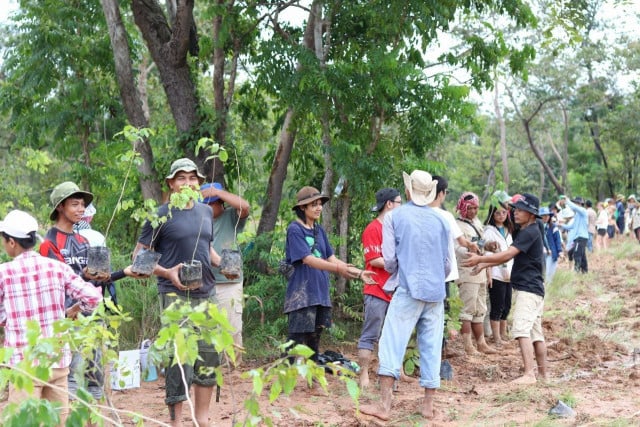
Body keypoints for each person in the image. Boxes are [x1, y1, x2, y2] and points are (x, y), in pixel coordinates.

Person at [134, 158, 222, 427]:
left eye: (192, 178)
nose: (187, 183)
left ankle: (203, 419)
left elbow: (207, 249)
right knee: (179, 358)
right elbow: (138, 258)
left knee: (208, 356)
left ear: (199, 183)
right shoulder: (160, 215)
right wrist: (168, 271)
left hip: (206, 294)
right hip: (174, 296)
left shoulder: (206, 212)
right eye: (181, 178)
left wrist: (225, 264)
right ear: (171, 184)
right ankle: (177, 421)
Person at [359, 170, 451, 421]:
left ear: (408, 191)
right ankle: (428, 406)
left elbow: (389, 261)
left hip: (408, 288)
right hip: (435, 292)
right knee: (432, 346)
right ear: (431, 192)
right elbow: (447, 265)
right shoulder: (443, 220)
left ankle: (385, 406)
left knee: (391, 342)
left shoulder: (394, 218)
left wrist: (402, 268)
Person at [40, 181, 140, 406]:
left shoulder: (84, 241)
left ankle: (93, 419)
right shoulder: (49, 243)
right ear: (60, 207)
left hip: (93, 318)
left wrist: (125, 272)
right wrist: (84, 280)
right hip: (68, 321)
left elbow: (98, 280)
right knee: (71, 377)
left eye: (83, 205)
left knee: (95, 377)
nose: (81, 209)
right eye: (74, 204)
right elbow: (58, 284)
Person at [0, 210, 103, 426]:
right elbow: (94, 297)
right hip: (57, 363)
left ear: (11, 242)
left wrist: (6, 318)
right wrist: (76, 308)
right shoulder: (57, 267)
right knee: (58, 422)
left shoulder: (4, 273)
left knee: (22, 422)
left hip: (25, 365)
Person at [464, 193, 548, 385]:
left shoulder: (530, 231)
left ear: (531, 214)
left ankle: (529, 374)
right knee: (536, 333)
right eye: (515, 209)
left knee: (521, 330)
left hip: (529, 289)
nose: (515, 213)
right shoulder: (529, 228)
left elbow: (506, 255)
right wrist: (485, 265)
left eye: (520, 210)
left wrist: (480, 259)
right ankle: (543, 375)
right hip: (534, 288)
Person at [284, 186, 374, 364]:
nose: (318, 208)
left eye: (319, 204)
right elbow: (308, 259)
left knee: (314, 340)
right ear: (302, 208)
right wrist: (339, 270)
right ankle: (283, 376)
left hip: (319, 292)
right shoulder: (295, 229)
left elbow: (332, 259)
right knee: (295, 339)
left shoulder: (319, 231)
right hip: (302, 294)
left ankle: (313, 380)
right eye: (313, 205)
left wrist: (359, 273)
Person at [200, 182, 250, 364]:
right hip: (204, 284)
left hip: (228, 283)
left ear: (221, 203)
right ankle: (212, 368)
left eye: (212, 203)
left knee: (232, 330)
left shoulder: (231, 217)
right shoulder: (199, 223)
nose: (208, 208)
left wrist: (216, 192)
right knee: (207, 330)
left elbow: (245, 206)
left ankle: (232, 371)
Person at [357, 187, 402, 388]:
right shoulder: (372, 229)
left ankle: (391, 373)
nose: (402, 206)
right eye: (399, 202)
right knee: (371, 332)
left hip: (396, 290)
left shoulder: (398, 228)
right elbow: (374, 260)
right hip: (376, 288)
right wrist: (400, 263)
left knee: (394, 334)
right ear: (389, 204)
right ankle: (364, 373)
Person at [454, 192, 496, 355]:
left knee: (480, 308)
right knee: (468, 308)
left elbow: (480, 242)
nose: (474, 211)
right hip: (467, 271)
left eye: (476, 208)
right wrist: (472, 249)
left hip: (480, 270)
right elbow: (457, 248)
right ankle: (467, 345)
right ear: (463, 208)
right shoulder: (457, 225)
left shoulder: (476, 222)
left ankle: (481, 342)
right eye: (470, 208)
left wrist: (488, 246)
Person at [482, 201, 514, 347]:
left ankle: (503, 334)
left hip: (509, 273)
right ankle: (496, 338)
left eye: (503, 212)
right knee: (497, 305)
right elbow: (487, 254)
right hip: (496, 273)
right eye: (497, 213)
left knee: (507, 305)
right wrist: (488, 274)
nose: (501, 215)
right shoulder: (489, 231)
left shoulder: (509, 230)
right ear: (492, 214)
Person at [558, 196, 589, 273]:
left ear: (578, 204)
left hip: (581, 237)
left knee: (577, 254)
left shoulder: (583, 211)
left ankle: (576, 271)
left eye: (574, 203)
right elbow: (571, 226)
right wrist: (560, 225)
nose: (572, 205)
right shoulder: (577, 215)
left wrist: (567, 201)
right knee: (582, 255)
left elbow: (575, 208)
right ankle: (585, 271)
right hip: (579, 238)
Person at [540, 207, 562, 282]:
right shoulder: (537, 227)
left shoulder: (553, 227)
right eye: (544, 215)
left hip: (553, 253)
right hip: (542, 254)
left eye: (547, 215)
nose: (546, 217)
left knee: (550, 274)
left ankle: (549, 290)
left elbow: (557, 239)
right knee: (544, 273)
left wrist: (560, 251)